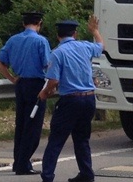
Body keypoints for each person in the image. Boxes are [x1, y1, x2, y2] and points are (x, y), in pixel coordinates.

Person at [38, 15, 104, 182]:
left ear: (58, 36)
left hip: (71, 101)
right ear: (75, 34)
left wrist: (45, 93)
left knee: (56, 139)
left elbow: (53, 80)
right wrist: (95, 31)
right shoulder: (85, 47)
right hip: (89, 98)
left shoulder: (57, 53)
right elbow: (101, 47)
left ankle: (47, 176)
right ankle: (87, 174)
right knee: (82, 139)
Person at [0, 11, 51, 176]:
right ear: (39, 23)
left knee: (21, 124)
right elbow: (48, 65)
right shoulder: (41, 41)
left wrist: (12, 78)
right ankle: (23, 164)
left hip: (21, 84)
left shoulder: (13, 40)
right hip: (36, 85)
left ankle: (18, 160)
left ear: (23, 24)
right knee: (33, 126)